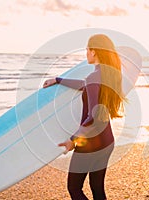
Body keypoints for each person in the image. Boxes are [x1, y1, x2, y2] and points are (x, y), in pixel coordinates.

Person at [43, 34, 125, 200]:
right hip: (107, 141)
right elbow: (85, 85)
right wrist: (58, 80)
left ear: (94, 51)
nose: (86, 53)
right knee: (97, 189)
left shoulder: (94, 77)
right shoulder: (107, 76)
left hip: (90, 143)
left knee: (74, 188)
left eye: (87, 50)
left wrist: (73, 140)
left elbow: (93, 117)